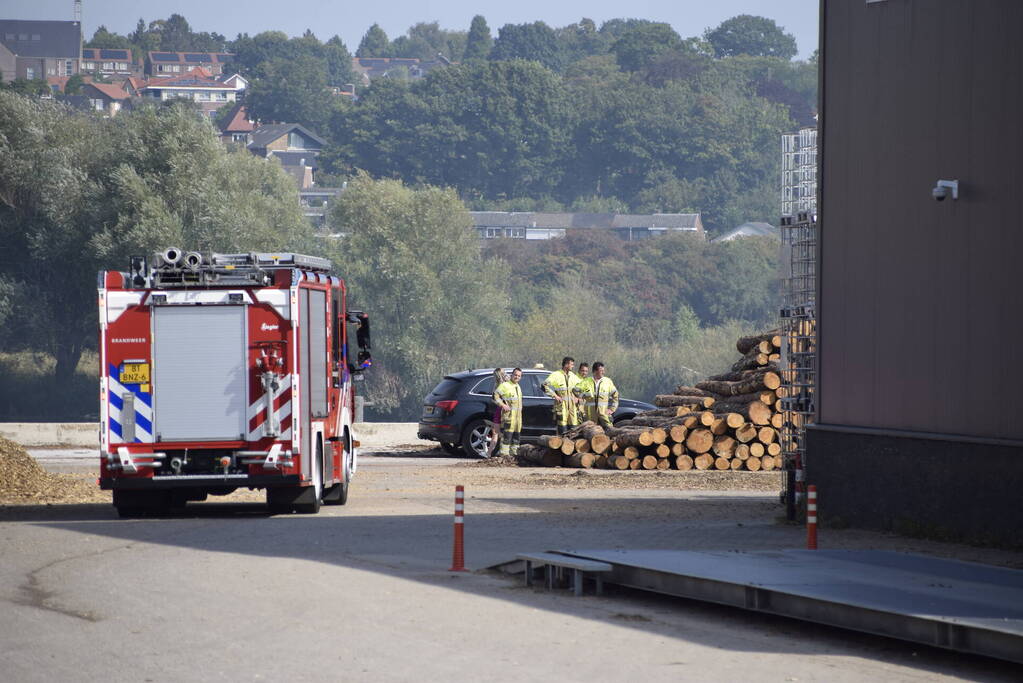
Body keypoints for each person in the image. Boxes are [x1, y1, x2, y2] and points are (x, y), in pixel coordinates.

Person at [542, 356, 581, 435]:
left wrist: (579, 397)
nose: (573, 366)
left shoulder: (573, 376)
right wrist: (555, 396)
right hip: (561, 407)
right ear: (566, 364)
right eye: (572, 364)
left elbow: (582, 387)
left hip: (572, 408)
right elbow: (543, 385)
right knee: (562, 431)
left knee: (573, 431)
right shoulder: (556, 375)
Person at [492, 367, 524, 458]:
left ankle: (514, 454)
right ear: (512, 375)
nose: (517, 377)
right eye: (515, 375)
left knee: (516, 436)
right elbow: (495, 396)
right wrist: (503, 405)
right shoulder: (505, 385)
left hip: (518, 417)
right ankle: (504, 454)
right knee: (507, 436)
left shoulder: (518, 386)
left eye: (519, 376)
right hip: (509, 416)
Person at [486, 367, 508, 456]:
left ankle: (489, 453)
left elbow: (493, 399)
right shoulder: (507, 385)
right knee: (504, 432)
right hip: (505, 410)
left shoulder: (496, 385)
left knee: (496, 432)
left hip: (499, 410)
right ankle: (502, 451)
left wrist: (499, 404)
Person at [591, 362, 620, 429]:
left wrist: (612, 409)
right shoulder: (587, 382)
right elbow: (580, 397)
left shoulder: (607, 381)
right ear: (595, 371)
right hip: (590, 417)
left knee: (609, 433)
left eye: (603, 370)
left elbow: (616, 396)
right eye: (601, 371)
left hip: (604, 416)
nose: (603, 372)